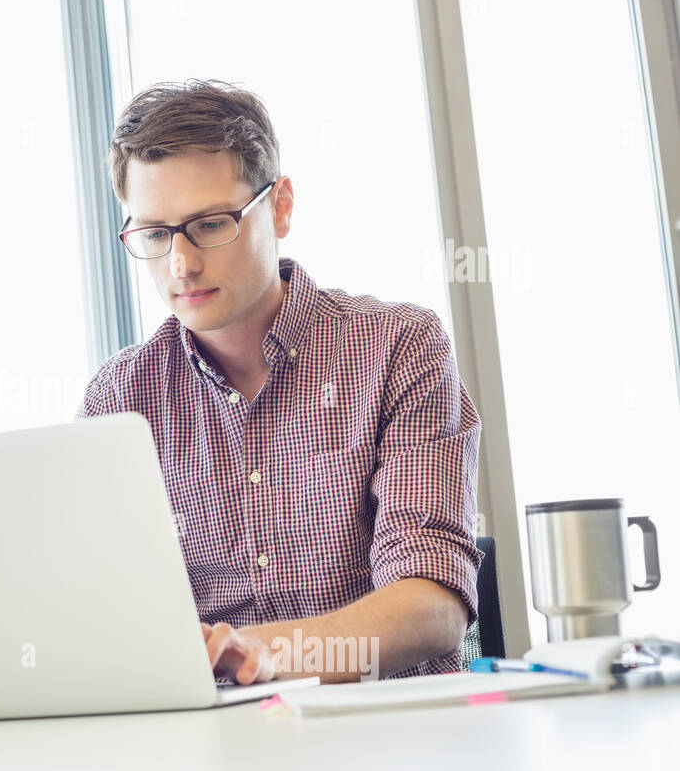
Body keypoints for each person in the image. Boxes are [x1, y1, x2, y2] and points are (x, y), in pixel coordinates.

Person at [75, 79, 482, 685]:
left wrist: (268, 655)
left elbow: (432, 606)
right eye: (156, 235)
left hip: (391, 747)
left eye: (210, 225)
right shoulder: (117, 401)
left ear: (281, 206)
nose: (181, 264)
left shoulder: (399, 347)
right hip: (208, 757)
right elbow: (98, 616)